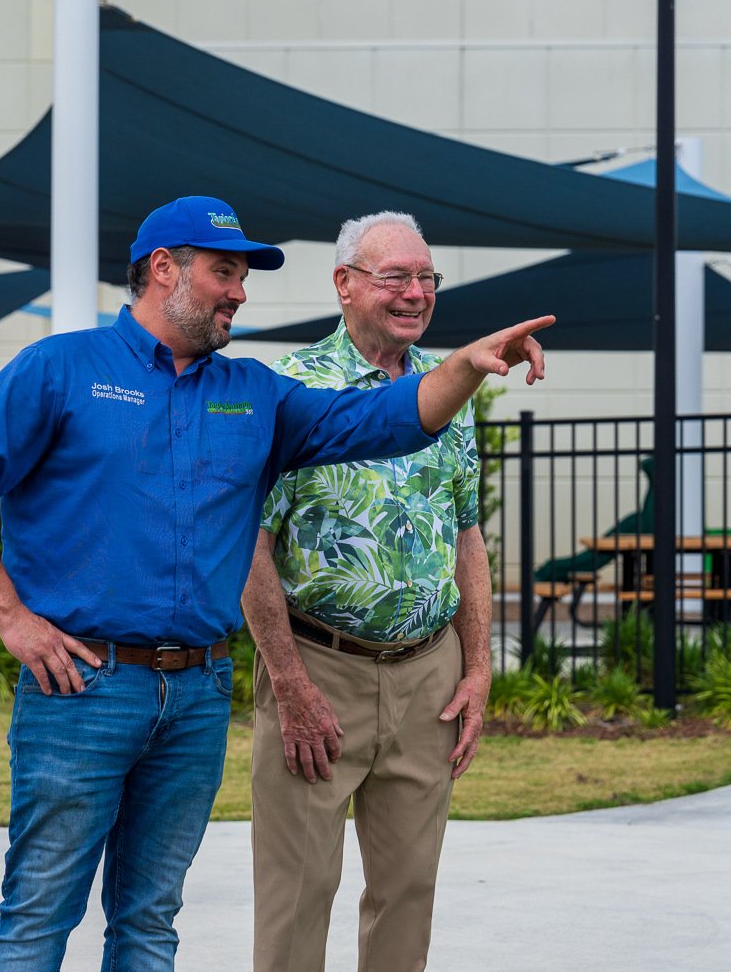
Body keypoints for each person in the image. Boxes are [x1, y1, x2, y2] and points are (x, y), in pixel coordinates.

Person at [0, 194, 553, 972]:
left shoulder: (253, 394)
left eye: (243, 275)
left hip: (195, 695)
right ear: (162, 269)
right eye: (224, 272)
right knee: (39, 916)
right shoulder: (62, 369)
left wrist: (463, 367)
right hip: (83, 692)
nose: (239, 292)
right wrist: (11, 617)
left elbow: (382, 420)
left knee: (149, 921)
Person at [243, 211, 491, 972]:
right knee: (298, 894)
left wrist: (477, 667)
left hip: (428, 677)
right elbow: (248, 542)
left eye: (426, 278)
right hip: (318, 671)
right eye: (397, 277)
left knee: (408, 892)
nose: (416, 293)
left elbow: (466, 532)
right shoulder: (288, 388)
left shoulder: (448, 389)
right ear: (345, 285)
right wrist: (287, 680)